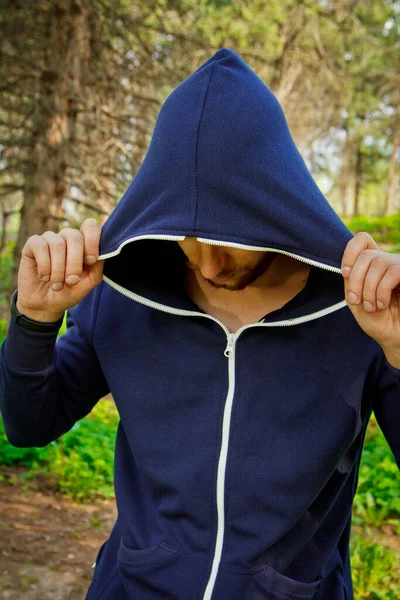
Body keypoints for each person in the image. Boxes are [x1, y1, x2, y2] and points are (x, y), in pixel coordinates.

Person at [0, 47, 399, 600]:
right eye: (188, 237)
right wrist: (36, 319)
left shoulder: (361, 317)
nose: (208, 264)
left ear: (274, 208)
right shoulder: (121, 298)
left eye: (227, 239)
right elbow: (28, 425)